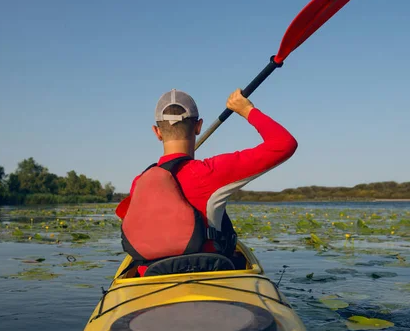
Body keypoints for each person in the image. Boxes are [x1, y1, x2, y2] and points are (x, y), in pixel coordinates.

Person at [116, 88, 297, 274]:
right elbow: (284, 144)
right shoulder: (211, 171)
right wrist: (247, 110)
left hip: (151, 275)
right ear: (198, 127)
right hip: (209, 272)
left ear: (157, 132)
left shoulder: (140, 182)